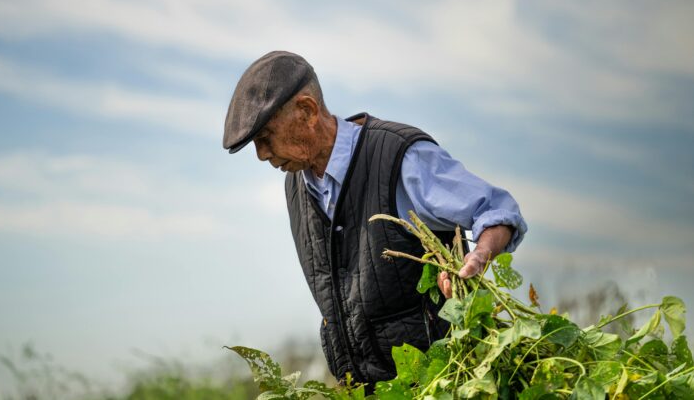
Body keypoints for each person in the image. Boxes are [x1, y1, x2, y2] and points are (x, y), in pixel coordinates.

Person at [223, 51, 527, 391]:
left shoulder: (398, 155)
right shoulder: (294, 185)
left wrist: (478, 256)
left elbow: (497, 211)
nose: (262, 154)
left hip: (438, 385)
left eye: (265, 137)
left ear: (307, 111)